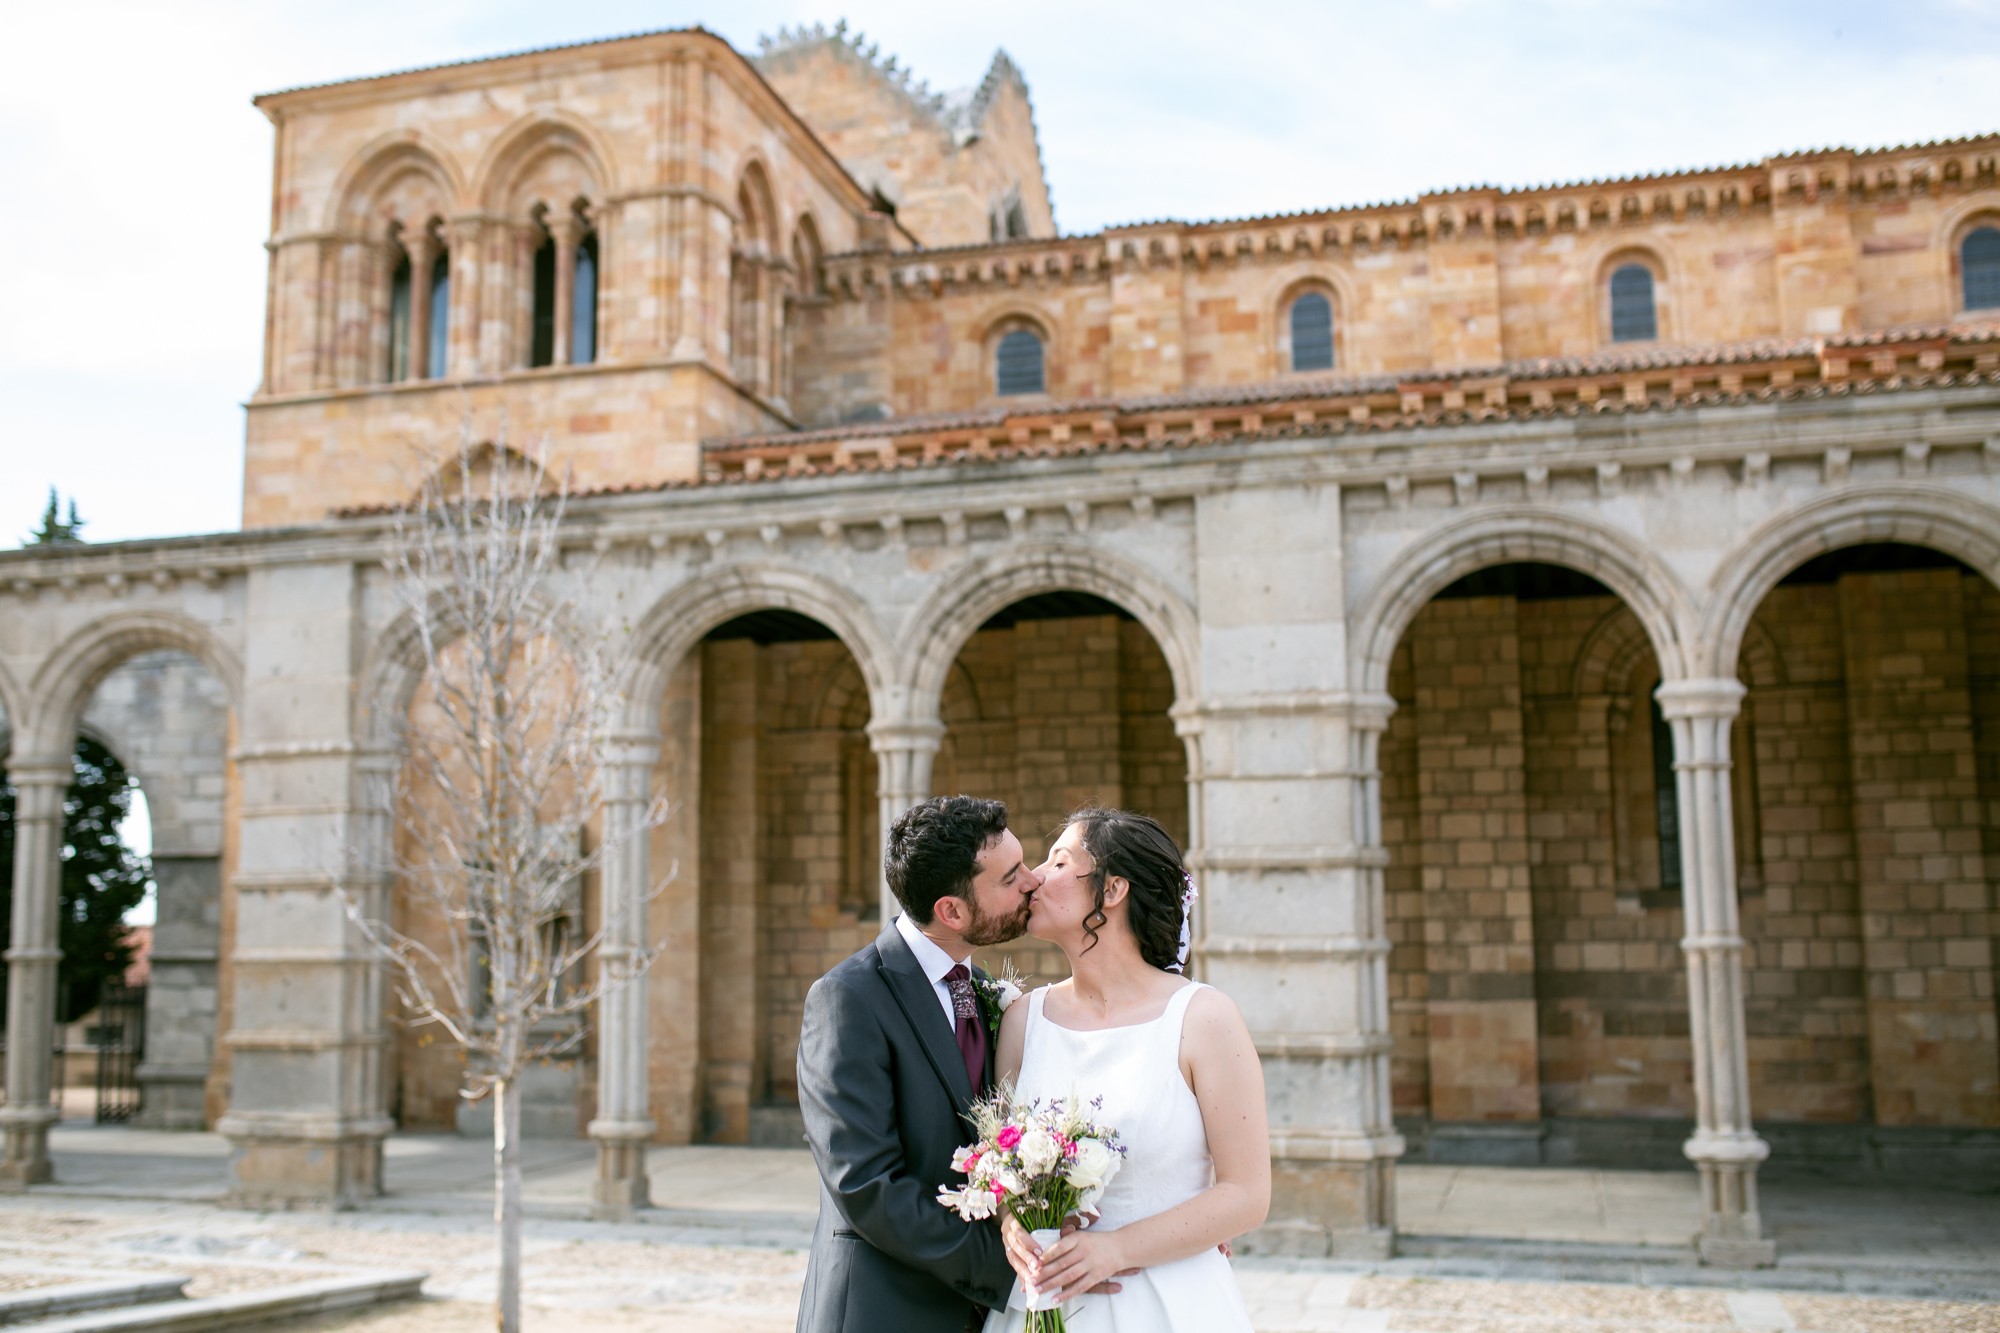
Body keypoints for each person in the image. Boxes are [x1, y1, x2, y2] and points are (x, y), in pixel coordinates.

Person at [987, 807, 1268, 1333]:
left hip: (1167, 1304)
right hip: (1044, 1300)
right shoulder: (1023, 1020)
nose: (1035, 879)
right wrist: (1012, 1230)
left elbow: (1247, 1194)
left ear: (1112, 890)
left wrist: (1115, 1249)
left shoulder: (1203, 1018)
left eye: (1058, 861)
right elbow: (1000, 1168)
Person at [794, 795, 1037, 1333]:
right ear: (951, 910)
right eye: (1011, 877)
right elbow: (865, 1185)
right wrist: (1010, 1266)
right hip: (883, 1310)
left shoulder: (983, 992)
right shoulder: (848, 998)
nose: (1033, 882)